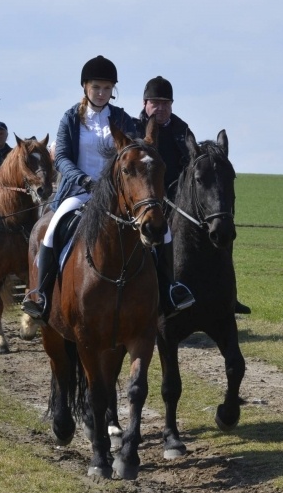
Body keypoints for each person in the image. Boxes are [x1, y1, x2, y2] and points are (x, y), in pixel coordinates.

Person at [21, 55, 177, 320]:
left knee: (165, 232)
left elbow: (136, 152)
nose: (102, 93)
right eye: (97, 88)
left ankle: (169, 291)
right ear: (85, 87)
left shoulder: (123, 119)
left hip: (118, 196)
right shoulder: (71, 118)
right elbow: (61, 158)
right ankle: (42, 295)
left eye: (107, 88)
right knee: (51, 232)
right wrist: (82, 179)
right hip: (78, 192)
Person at [134, 76, 252, 315]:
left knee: (218, 230)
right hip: (145, 198)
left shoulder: (181, 129)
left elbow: (194, 164)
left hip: (180, 197)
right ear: (145, 104)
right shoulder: (134, 129)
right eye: (155, 102)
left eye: (166, 103)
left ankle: (229, 295)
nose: (161, 108)